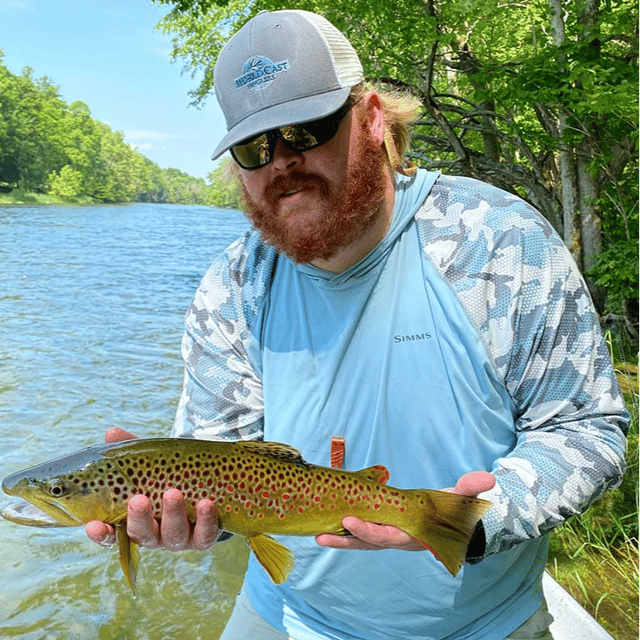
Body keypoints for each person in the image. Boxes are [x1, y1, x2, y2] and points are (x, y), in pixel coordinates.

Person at [86, 9, 629, 640]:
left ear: (371, 118)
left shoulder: (496, 241)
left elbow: (587, 427)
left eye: (304, 128)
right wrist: (180, 519)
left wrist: (483, 513)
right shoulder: (234, 285)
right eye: (254, 146)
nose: (282, 160)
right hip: (287, 614)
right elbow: (219, 459)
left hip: (484, 622)